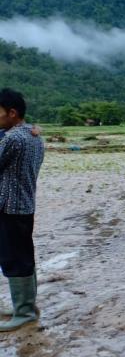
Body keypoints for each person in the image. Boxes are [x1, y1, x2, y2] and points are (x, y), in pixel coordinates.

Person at [0, 88, 45, 331]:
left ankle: (25, 311)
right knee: (23, 257)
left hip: (9, 208)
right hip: (24, 205)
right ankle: (25, 306)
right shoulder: (34, 135)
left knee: (14, 259)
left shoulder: (13, 139)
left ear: (12, 113)